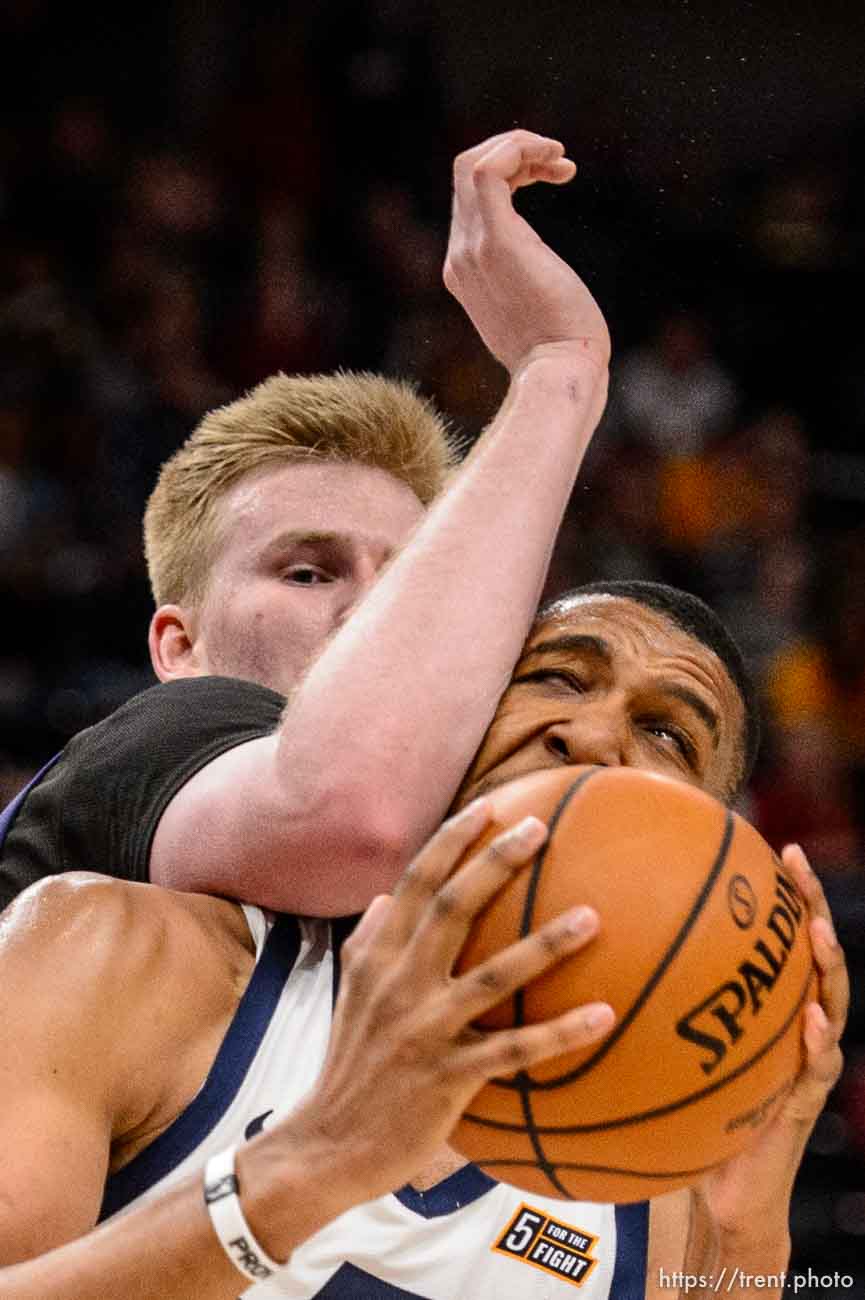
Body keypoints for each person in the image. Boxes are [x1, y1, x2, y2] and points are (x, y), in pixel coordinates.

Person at [0, 129, 847, 1294]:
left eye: (411, 595)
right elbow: (353, 805)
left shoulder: (641, 1163)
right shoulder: (113, 941)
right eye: (309, 575)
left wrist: (747, 1235)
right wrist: (558, 364)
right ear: (175, 643)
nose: (373, 632)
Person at [0, 582, 848, 1300]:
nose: (589, 737)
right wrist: (301, 1174)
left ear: (718, 841)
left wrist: (742, 1243)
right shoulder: (112, 954)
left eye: (667, 734)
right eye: (556, 677)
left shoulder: (652, 1191)